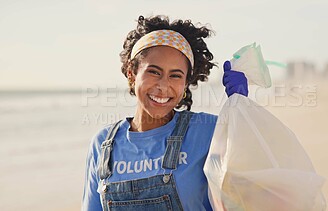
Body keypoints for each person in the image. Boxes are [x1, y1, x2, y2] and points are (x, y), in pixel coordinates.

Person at [82, 15, 248, 211]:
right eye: (154, 72)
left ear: (186, 83)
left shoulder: (208, 132)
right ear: (132, 73)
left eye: (175, 75)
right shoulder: (102, 145)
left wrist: (243, 112)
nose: (163, 86)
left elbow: (254, 176)